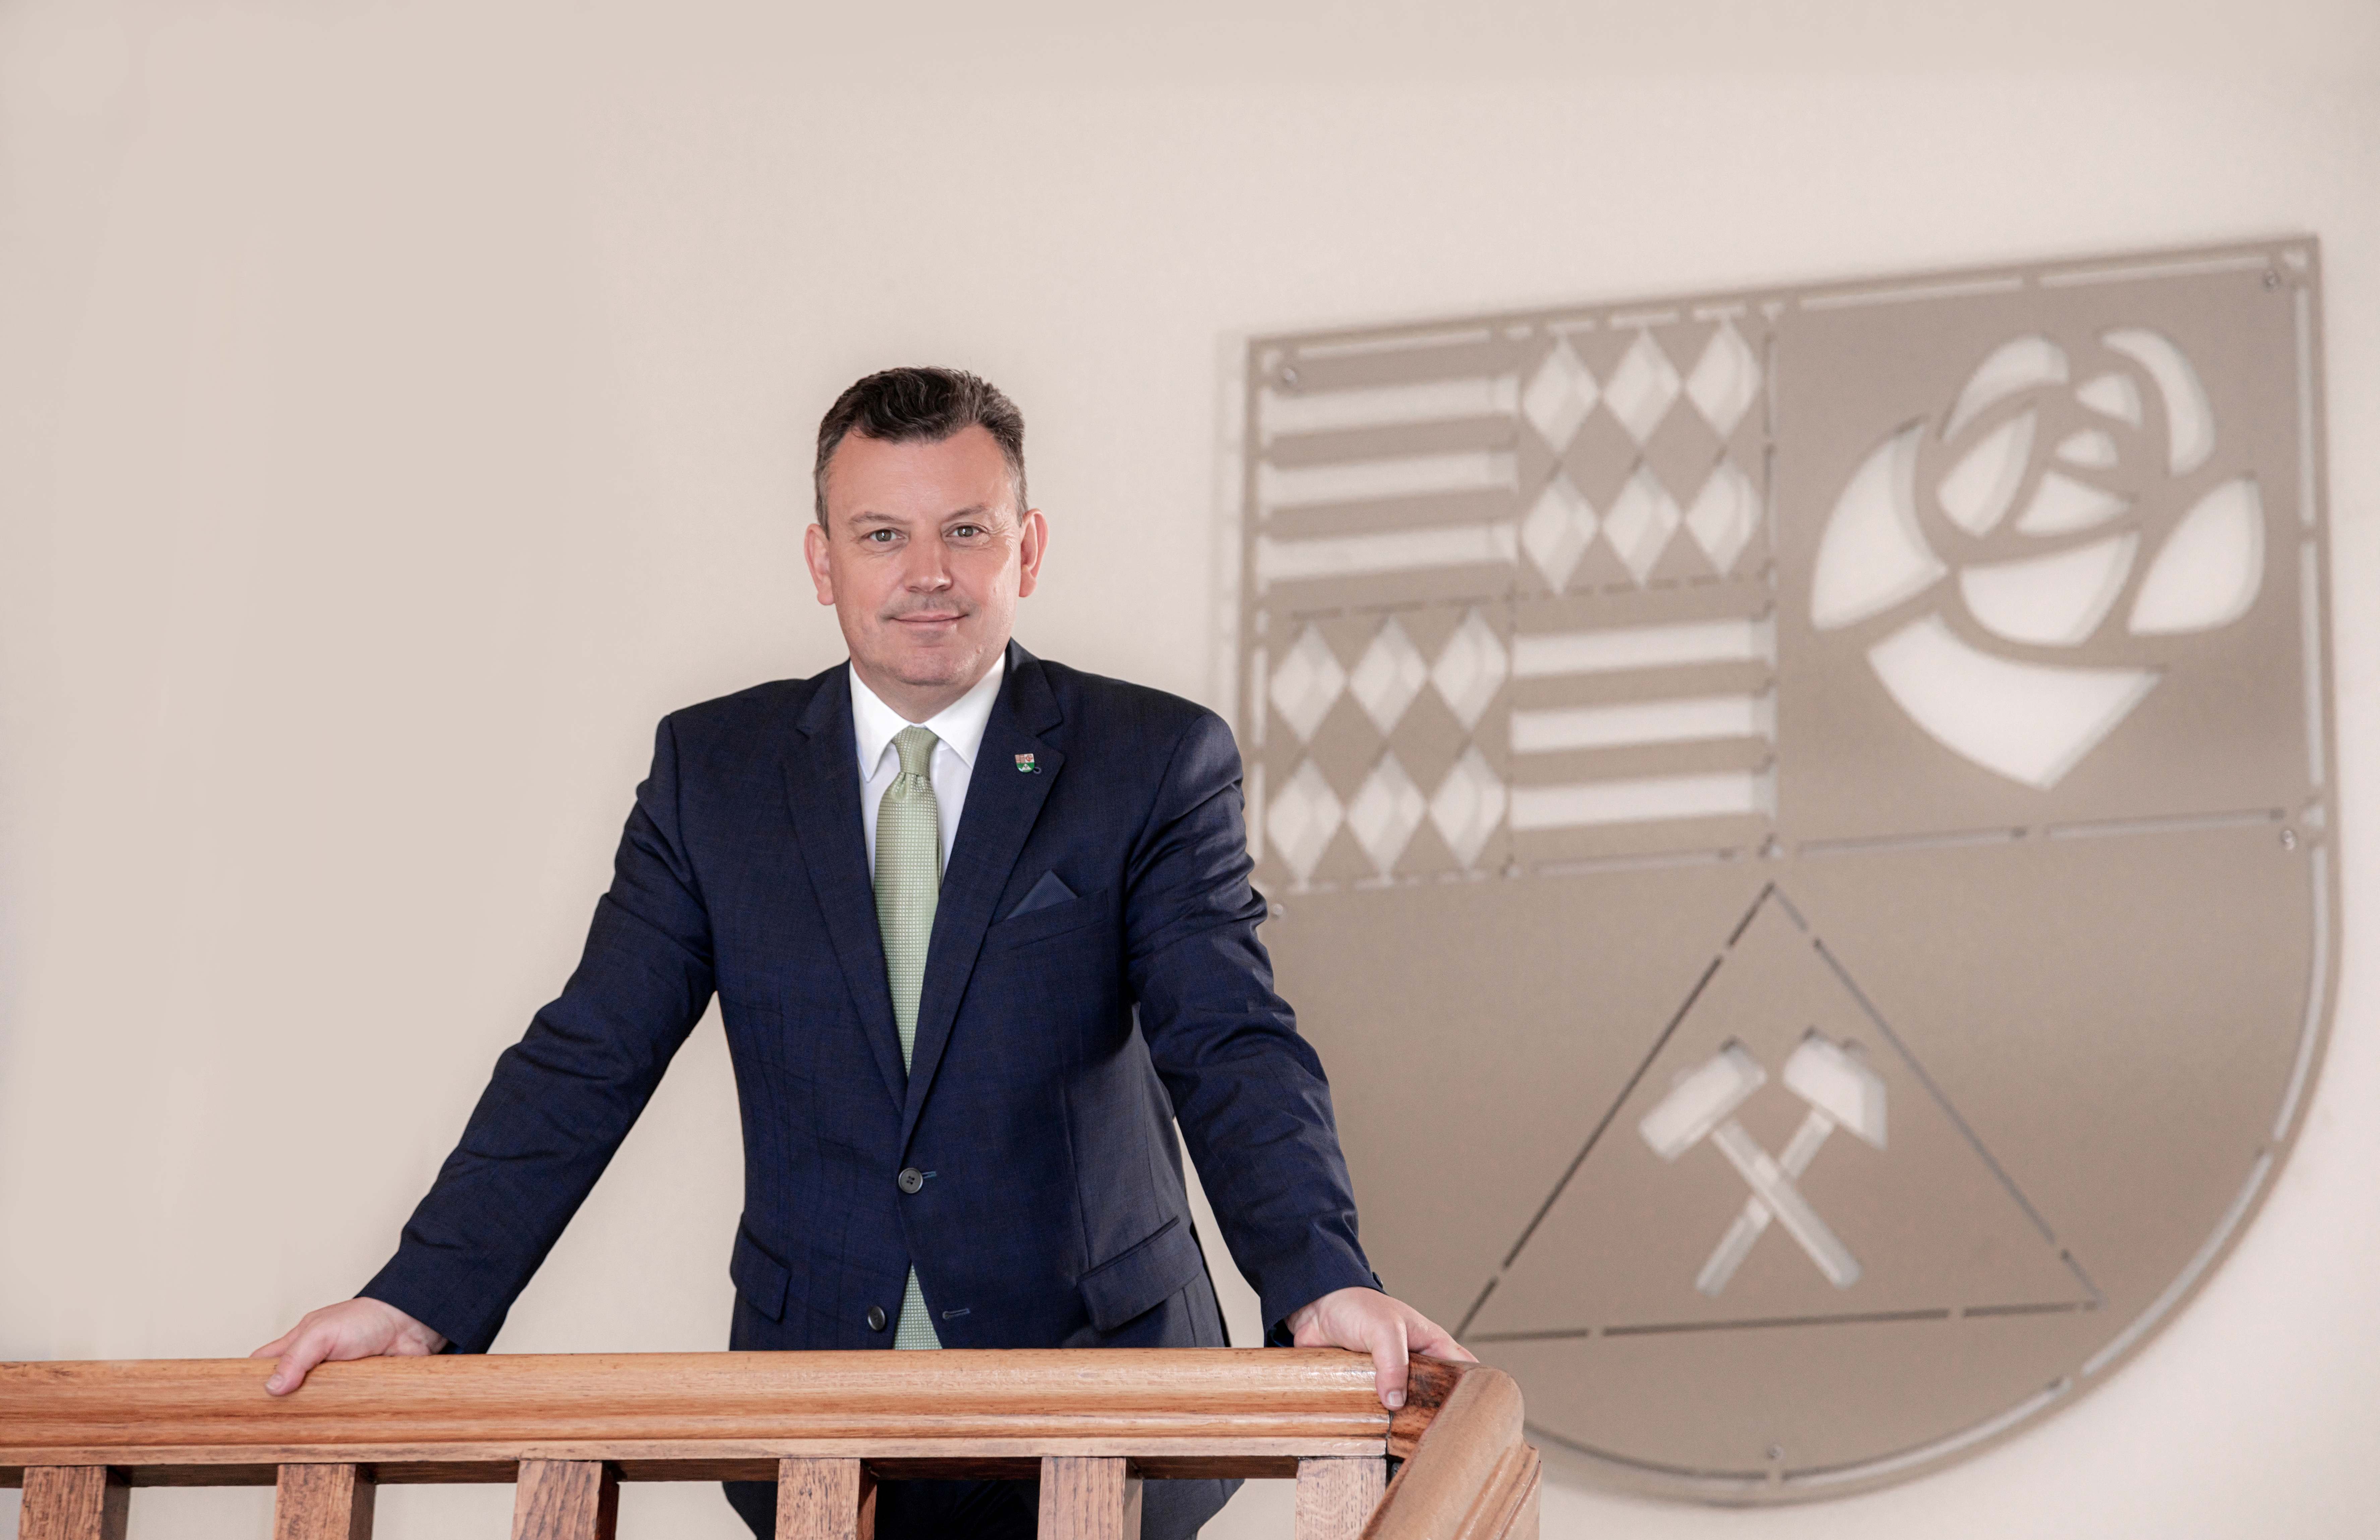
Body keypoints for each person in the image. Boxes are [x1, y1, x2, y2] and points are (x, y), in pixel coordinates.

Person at [251, 367, 1469, 1539]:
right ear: (821, 560)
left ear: (1028, 549)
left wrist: (1318, 1276)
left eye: (967, 531)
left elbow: (1229, 1041)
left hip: (1102, 1395)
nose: (927, 573)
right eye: (882, 534)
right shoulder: (712, 775)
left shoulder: (1150, 759)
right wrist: (418, 1299)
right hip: (815, 1410)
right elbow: (590, 1054)